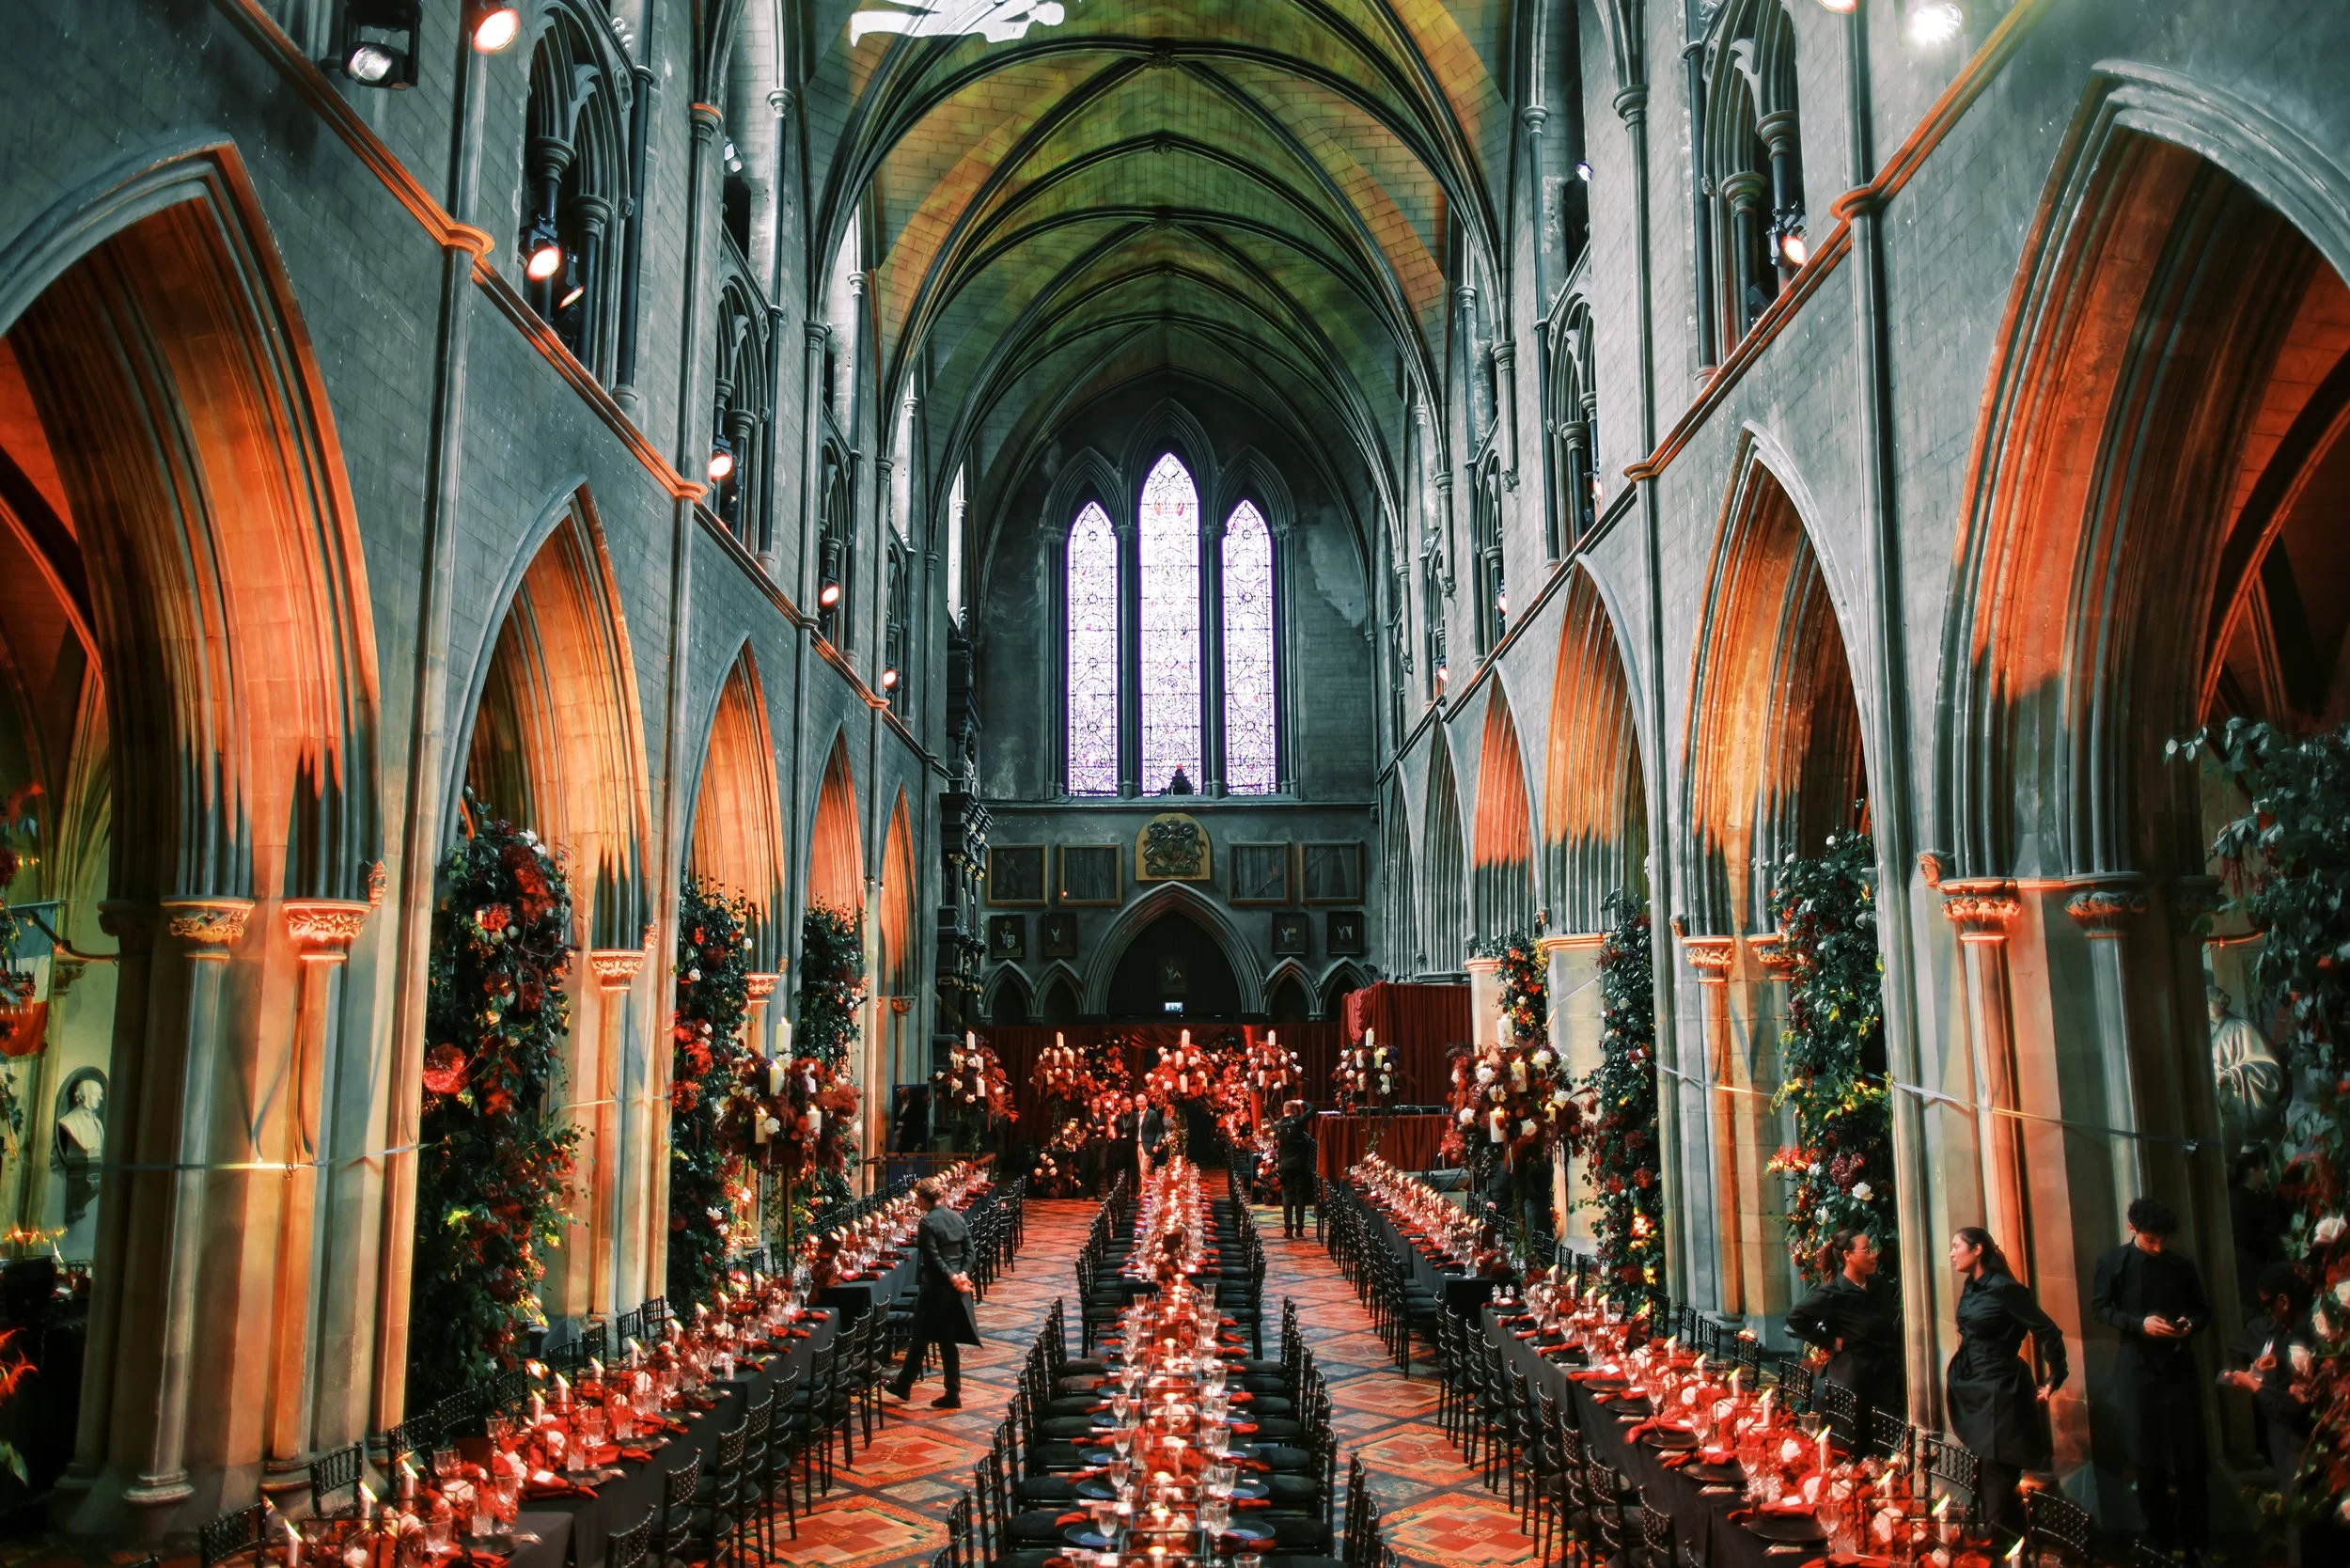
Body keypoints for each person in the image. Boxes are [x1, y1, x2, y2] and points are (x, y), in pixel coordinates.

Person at [2091, 1197, 2212, 1564]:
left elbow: (2203, 1310)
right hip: (2136, 1367)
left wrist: (2190, 1325)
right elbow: (2100, 1308)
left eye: (2164, 1240)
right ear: (2132, 1229)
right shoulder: (2113, 1262)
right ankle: (2159, 1540)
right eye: (2151, 1240)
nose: (2159, 1247)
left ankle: (2196, 1543)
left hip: (2178, 1366)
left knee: (2191, 1457)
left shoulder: (2180, 1264)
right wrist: (2138, 1323)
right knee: (2146, 1458)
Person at [1945, 1227, 2067, 1544]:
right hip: (1974, 1388)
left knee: (1998, 1477)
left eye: (1957, 1246)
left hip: (2000, 1391)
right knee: (1987, 1477)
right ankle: (2007, 1548)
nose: (1952, 1252)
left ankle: (2006, 1548)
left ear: (1978, 1250)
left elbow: (2048, 1330)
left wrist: (2054, 1378)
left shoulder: (2006, 1290)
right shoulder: (1971, 1287)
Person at [2221, 1263, 2316, 1564]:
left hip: (2299, 1440)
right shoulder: (2289, 1332)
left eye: (2266, 1304)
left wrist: (2252, 1384)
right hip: (2288, 1441)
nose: (2266, 1313)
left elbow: (2288, 1405)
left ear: (2283, 1301)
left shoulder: (2304, 1333)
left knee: (2302, 1520)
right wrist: (2272, 1362)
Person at [1786, 1230, 1905, 1437]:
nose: (1873, 1255)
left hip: (1882, 1376)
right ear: (1848, 1256)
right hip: (1852, 1378)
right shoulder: (1835, 1292)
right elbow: (1796, 1316)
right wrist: (1830, 1341)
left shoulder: (1878, 1285)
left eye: (1872, 1249)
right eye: (1866, 1250)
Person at [888, 1179, 979, 1408]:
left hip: (935, 1288)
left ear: (923, 1198)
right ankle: (948, 1391)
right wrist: (962, 1274)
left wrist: (951, 1276)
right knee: (946, 1340)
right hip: (955, 1288)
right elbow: (970, 1251)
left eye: (918, 1198)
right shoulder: (956, 1218)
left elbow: (931, 1256)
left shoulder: (927, 1222)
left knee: (920, 1335)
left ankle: (907, 1386)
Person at [2228, 1147, 2288, 1313]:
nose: (2266, 1172)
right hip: (2253, 1271)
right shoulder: (2248, 1201)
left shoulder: (2233, 1197)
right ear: (2253, 1171)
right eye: (2263, 1168)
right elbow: (2261, 1238)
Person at [1275, 1099, 1317, 1238]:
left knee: (1287, 1195)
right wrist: (1302, 1102)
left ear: (1284, 1110)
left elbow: (1276, 1142)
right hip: (1299, 1164)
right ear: (1294, 1111)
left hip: (1285, 1165)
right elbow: (1313, 1109)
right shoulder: (1298, 1123)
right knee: (1300, 1195)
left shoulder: (1277, 1126)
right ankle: (1299, 1229)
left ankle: (1288, 1229)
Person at [1140, 1094, 1168, 1173]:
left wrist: (1157, 1143)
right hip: (1139, 1144)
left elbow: (1158, 1130)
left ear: (1146, 1102)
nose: (1139, 1104)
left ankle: (1148, 1185)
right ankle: (1145, 1186)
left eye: (1141, 1101)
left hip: (1148, 1145)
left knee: (1144, 1171)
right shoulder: (1137, 1114)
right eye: (1137, 1102)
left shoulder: (1152, 1114)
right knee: (1142, 1172)